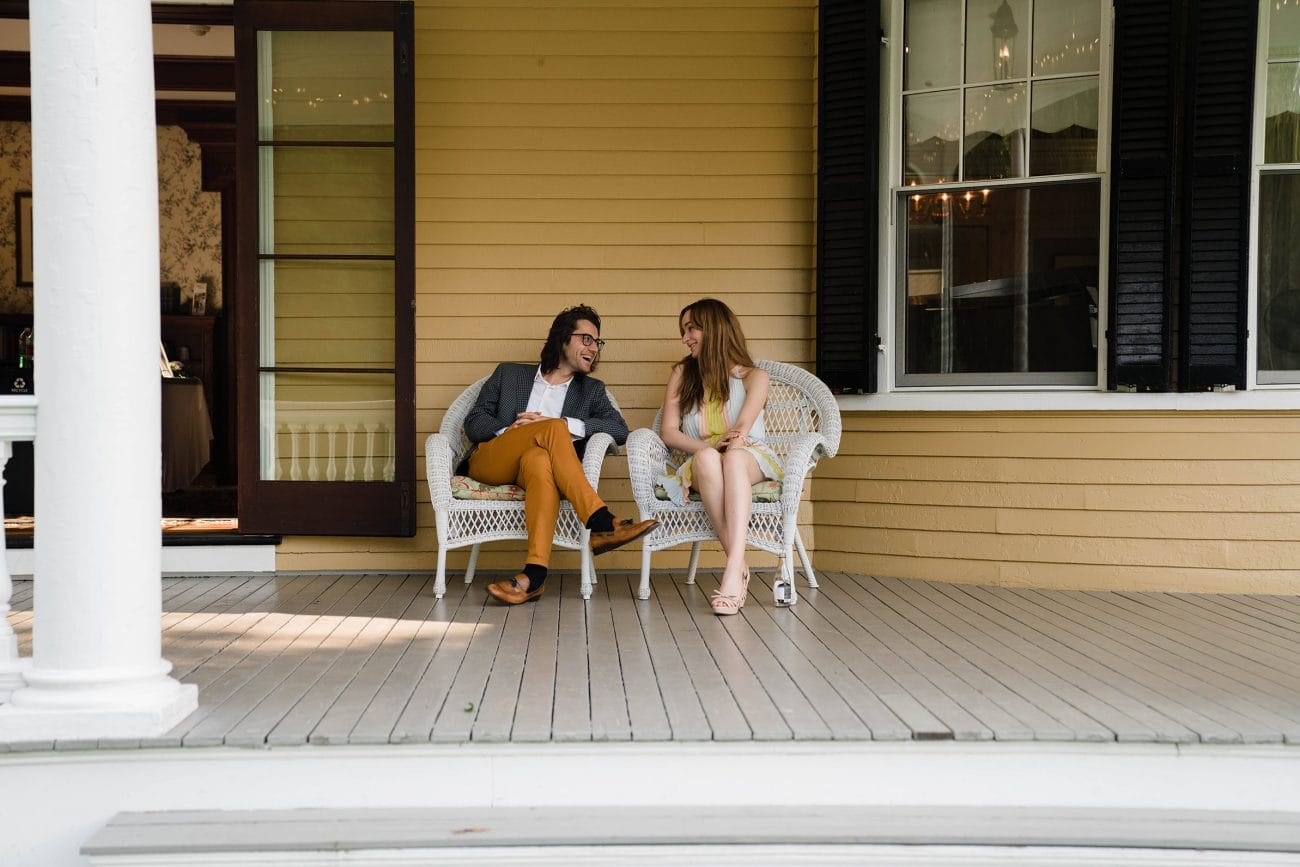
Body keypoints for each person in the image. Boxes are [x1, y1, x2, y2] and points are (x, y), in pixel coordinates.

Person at [463, 304, 657, 605]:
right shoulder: (510, 373)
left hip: (534, 470)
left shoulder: (591, 391)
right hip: (492, 461)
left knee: (542, 458)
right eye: (587, 339)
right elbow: (473, 421)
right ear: (563, 339)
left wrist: (567, 424)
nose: (594, 348)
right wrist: (513, 429)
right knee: (552, 428)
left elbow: (619, 429)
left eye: (598, 342)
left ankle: (533, 577)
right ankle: (602, 522)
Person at [657, 298, 783, 615]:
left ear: (712, 329)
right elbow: (669, 432)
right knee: (707, 459)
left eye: (691, 329)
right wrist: (708, 448)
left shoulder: (755, 376)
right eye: (682, 331)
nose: (685, 338)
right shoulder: (683, 373)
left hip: (748, 455)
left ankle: (731, 571)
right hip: (705, 458)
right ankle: (738, 564)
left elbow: (742, 427)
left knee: (734, 458)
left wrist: (732, 442)